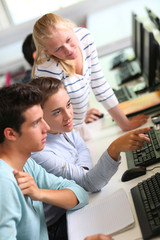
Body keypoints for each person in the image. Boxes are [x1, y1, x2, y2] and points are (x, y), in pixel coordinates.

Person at [30, 77, 150, 235]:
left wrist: (82, 171)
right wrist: (114, 149)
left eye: (68, 104)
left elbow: (82, 148)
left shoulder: (61, 127)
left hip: (75, 210)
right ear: (39, 116)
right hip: (57, 226)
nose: (68, 115)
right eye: (57, 112)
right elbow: (91, 184)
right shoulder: (40, 152)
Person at [31, 13, 148, 136]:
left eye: (68, 40)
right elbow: (51, 115)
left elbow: (100, 85)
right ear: (48, 52)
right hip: (60, 133)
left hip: (77, 125)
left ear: (71, 29)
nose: (68, 50)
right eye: (58, 49)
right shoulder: (47, 68)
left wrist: (125, 124)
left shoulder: (84, 37)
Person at [0, 83, 88, 240]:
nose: (46, 127)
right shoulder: (3, 183)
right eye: (36, 122)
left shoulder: (26, 162)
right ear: (11, 134)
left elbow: (79, 194)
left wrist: (39, 193)